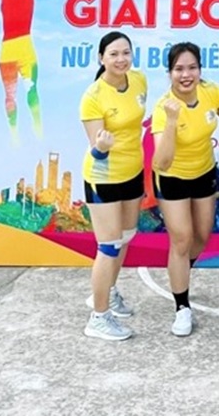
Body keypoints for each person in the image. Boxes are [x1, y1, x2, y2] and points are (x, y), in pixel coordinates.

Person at [151, 43, 219, 337]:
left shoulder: (211, 92)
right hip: (172, 177)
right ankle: (182, 306)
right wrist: (170, 120)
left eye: (192, 67)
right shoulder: (162, 108)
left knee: (202, 236)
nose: (186, 74)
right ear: (169, 73)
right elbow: (161, 162)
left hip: (204, 173)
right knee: (181, 239)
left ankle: (179, 270)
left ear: (200, 70)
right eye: (179, 69)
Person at [80, 31, 147, 341]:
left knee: (126, 238)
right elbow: (95, 149)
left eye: (126, 53)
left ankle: (106, 291)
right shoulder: (93, 97)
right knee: (108, 246)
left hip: (133, 173)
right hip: (103, 177)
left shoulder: (139, 81)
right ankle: (98, 317)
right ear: (101, 58)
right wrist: (102, 146)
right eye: (114, 54)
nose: (121, 59)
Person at [0, 0, 57, 142]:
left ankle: (14, 134)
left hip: (7, 49)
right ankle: (38, 128)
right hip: (24, 45)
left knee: (10, 96)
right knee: (32, 89)